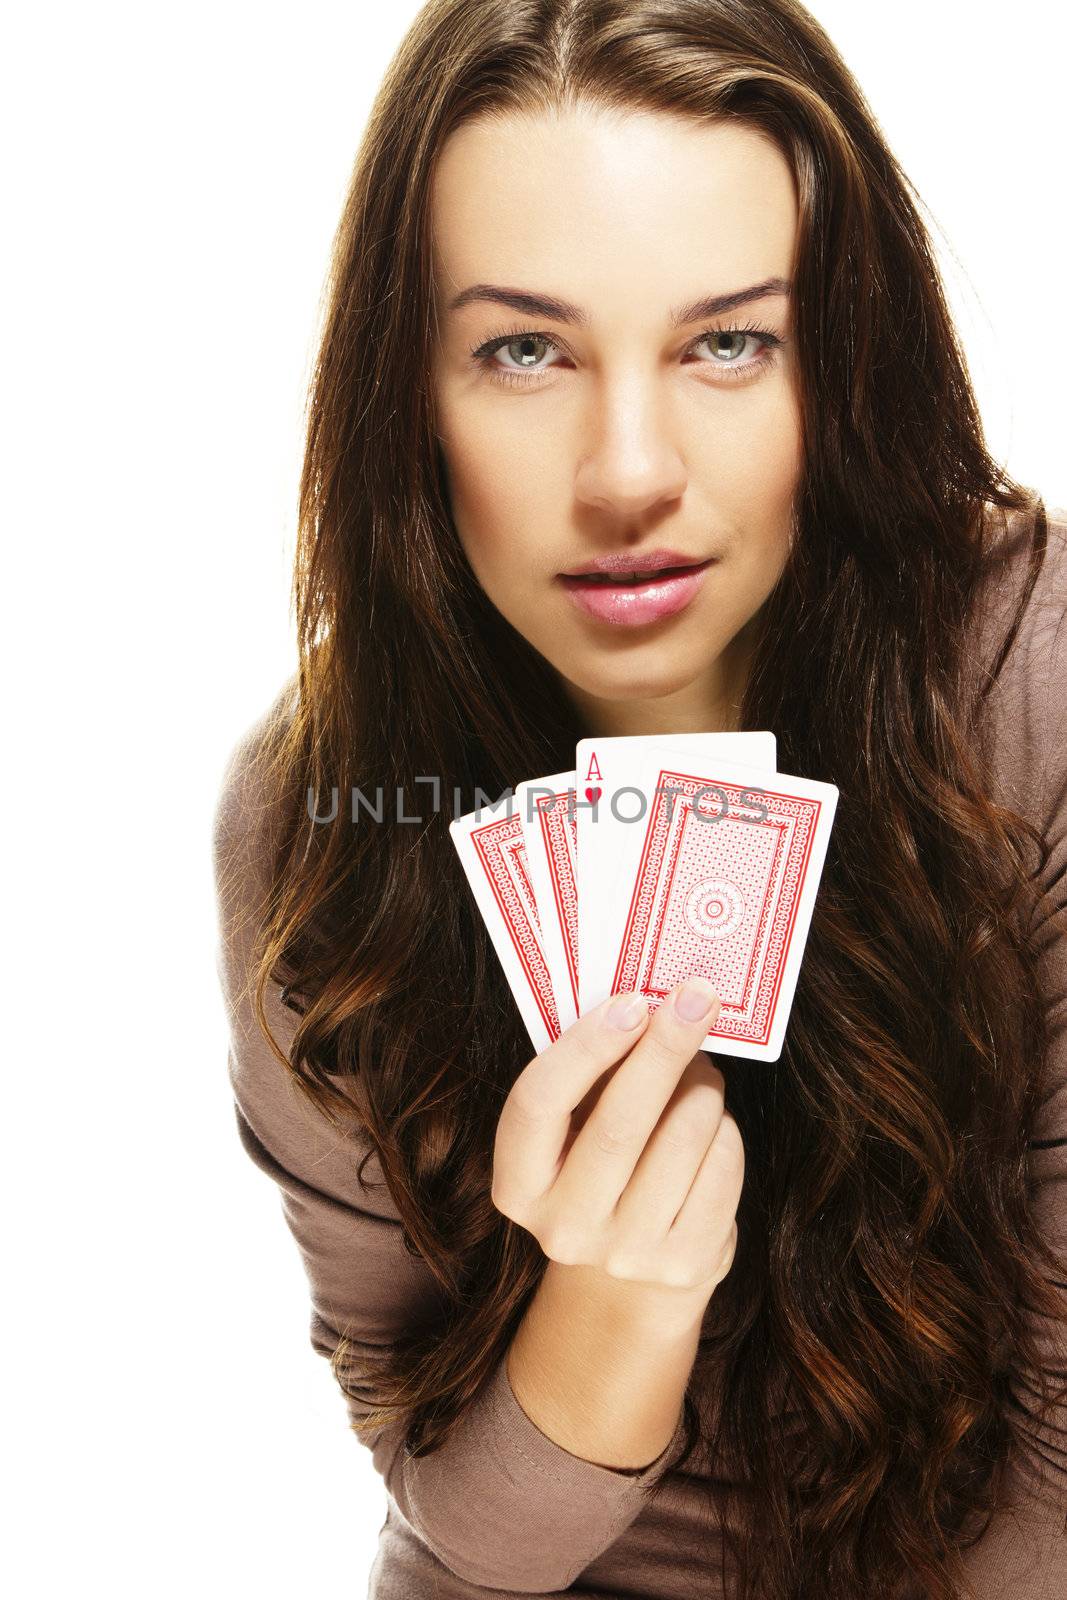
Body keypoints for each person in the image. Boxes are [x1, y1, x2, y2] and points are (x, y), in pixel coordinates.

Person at [211, 2, 1067, 1595]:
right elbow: (457, 1525)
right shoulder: (314, 813)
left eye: (727, 341)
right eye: (523, 349)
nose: (626, 471)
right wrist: (615, 1304)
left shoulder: (1038, 687)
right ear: (410, 391)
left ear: (847, 363)